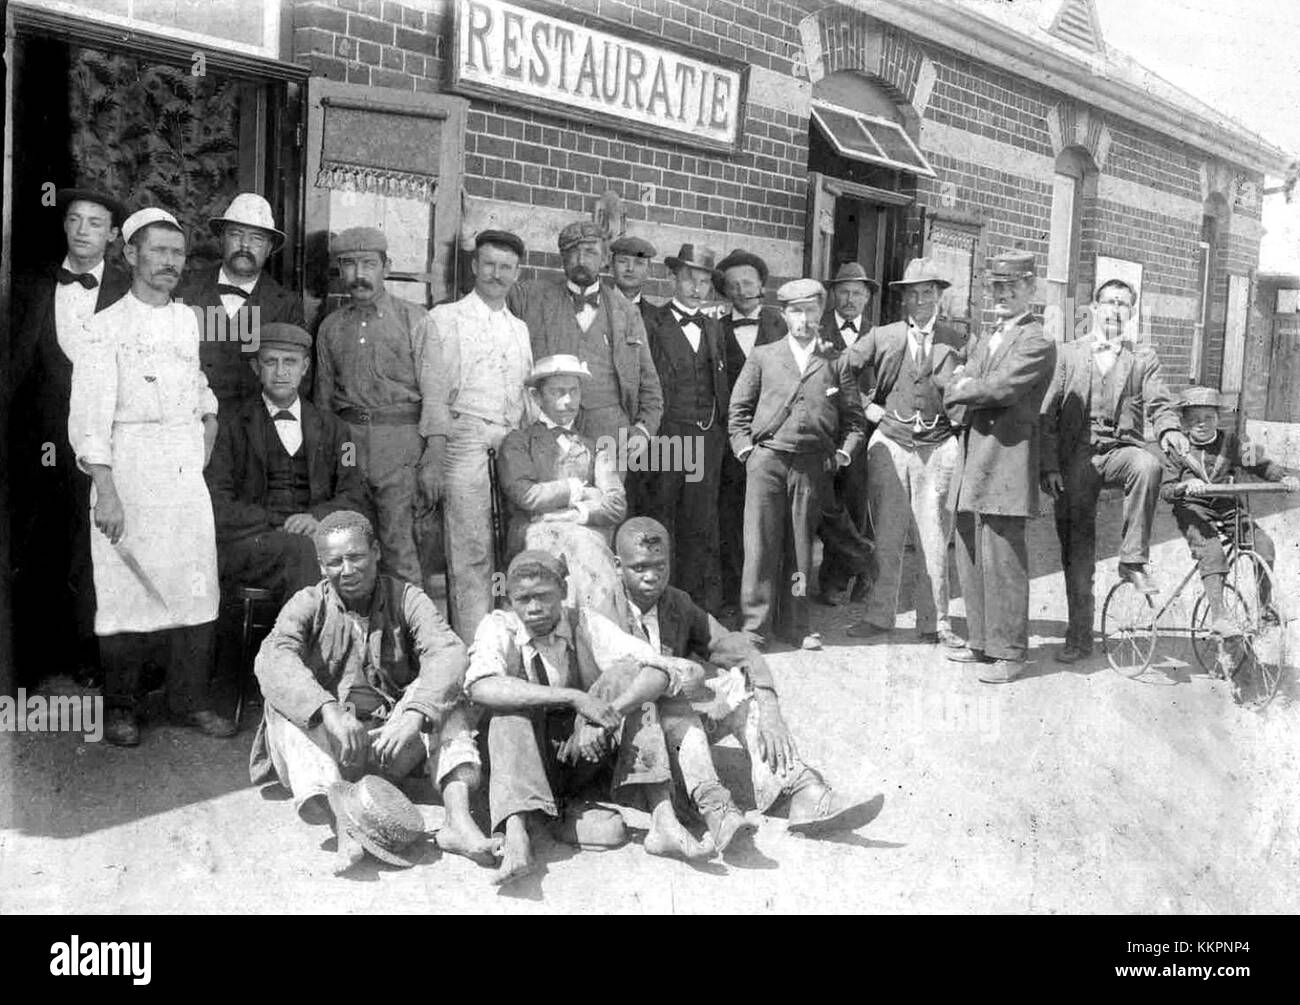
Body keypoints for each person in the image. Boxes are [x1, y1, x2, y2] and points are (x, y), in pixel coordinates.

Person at [68, 207, 236, 746]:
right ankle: (121, 707)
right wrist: (107, 492)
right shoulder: (102, 327)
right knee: (125, 586)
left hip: (184, 469)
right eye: (159, 251)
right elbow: (89, 420)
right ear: (131, 254)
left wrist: (208, 423)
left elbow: (199, 384)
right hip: (130, 466)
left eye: (178, 253)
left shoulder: (187, 319)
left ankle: (188, 701)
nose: (170, 262)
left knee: (195, 582)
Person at [250, 510, 499, 867]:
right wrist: (328, 712)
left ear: (377, 552)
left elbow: (448, 652)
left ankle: (459, 822)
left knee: (447, 694)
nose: (347, 570)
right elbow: (273, 659)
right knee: (283, 702)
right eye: (335, 562)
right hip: (328, 750)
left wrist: (414, 715)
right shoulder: (307, 602)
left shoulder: (406, 597)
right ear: (322, 567)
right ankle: (344, 826)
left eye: (356, 557)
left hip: (387, 743)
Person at [612, 517, 885, 841]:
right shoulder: (604, 609)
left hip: (677, 719)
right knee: (675, 703)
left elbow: (736, 649)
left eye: (659, 565)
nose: (651, 576)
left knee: (741, 686)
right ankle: (714, 807)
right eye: (639, 567)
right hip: (631, 736)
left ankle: (800, 790)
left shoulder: (677, 602)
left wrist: (769, 706)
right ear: (618, 566)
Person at [465, 550, 714, 886]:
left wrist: (606, 717)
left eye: (543, 597)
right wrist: (574, 697)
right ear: (510, 599)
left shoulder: (585, 621)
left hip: (584, 752)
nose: (533, 608)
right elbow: (481, 686)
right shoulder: (499, 625)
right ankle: (516, 834)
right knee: (507, 714)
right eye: (523, 599)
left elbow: (659, 669)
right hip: (524, 762)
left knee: (630, 678)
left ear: (564, 591)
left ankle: (663, 818)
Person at [9, 187, 130, 686]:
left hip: (102, 442)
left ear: (114, 234)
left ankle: (90, 655)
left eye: (95, 223)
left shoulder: (127, 289)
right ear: (64, 227)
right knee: (38, 540)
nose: (83, 231)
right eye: (75, 220)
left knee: (94, 546)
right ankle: (32, 657)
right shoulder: (32, 283)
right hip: (41, 440)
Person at [1039, 278, 1185, 662]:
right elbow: (1047, 416)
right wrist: (1050, 466)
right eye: (1109, 302)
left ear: (1131, 313)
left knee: (1148, 464)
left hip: (1119, 452)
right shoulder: (1067, 354)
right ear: (1094, 307)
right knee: (1078, 551)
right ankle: (1079, 637)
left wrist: (1169, 429)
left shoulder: (1142, 359)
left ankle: (1132, 559)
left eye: (1124, 304)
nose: (1115, 310)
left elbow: (1160, 403)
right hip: (1076, 461)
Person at [728, 278, 866, 651]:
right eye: (795, 311)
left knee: (801, 549)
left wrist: (842, 453)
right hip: (768, 461)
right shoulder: (764, 356)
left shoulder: (835, 360)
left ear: (820, 313)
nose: (803, 319)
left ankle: (797, 624)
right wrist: (746, 452)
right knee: (760, 547)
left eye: (810, 311)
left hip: (811, 467)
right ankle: (755, 627)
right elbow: (738, 409)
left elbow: (854, 419)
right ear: (784, 314)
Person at [944, 251, 1056, 684]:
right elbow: (964, 379)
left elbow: (1000, 387)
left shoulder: (1036, 340)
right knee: (972, 547)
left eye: (1013, 287)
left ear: (1031, 289)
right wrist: (969, 386)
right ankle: (981, 642)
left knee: (1003, 557)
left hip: (1008, 458)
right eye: (997, 288)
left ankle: (1010, 651)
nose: (1004, 295)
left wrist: (966, 387)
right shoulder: (986, 337)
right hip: (976, 455)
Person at [419, 229, 533, 640]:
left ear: (517, 273)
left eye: (506, 267)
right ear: (473, 266)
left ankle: (509, 642)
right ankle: (474, 648)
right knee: (472, 549)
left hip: (511, 440)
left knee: (512, 545)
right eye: (489, 264)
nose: (496, 274)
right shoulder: (445, 319)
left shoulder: (519, 328)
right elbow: (434, 395)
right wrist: (434, 456)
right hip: (465, 437)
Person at [846, 258, 965, 646]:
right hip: (891, 442)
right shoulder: (885, 336)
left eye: (928, 292)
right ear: (903, 299)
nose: (920, 300)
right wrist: (866, 406)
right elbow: (841, 370)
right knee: (888, 537)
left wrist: (958, 427)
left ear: (940, 296)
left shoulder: (960, 339)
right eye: (912, 293)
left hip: (938, 445)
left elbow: (979, 385)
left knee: (933, 537)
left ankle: (936, 623)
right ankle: (880, 617)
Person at [205, 323, 371, 601]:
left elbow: (354, 492)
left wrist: (316, 518)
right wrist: (278, 521)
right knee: (304, 552)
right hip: (253, 543)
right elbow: (217, 502)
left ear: (305, 367)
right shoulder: (230, 426)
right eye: (271, 362)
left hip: (316, 535)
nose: (281, 372)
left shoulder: (337, 430)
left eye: (290, 362)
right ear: (256, 367)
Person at [314, 227, 432, 589]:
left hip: (400, 444)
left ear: (386, 266)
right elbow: (322, 402)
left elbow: (436, 393)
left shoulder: (415, 319)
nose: (358, 274)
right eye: (348, 265)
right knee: (350, 545)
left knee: (399, 545)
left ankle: (411, 638)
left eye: (368, 263)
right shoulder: (332, 326)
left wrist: (433, 457)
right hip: (348, 443)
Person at [507, 220, 663, 453]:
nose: (581, 260)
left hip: (610, 429)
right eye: (572, 252)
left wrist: (643, 429)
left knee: (607, 489)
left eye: (590, 252)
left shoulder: (627, 312)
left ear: (604, 260)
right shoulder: (531, 298)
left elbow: (648, 380)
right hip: (549, 425)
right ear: (562, 258)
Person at [1160, 387, 1299, 635]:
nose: (1201, 425)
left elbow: (1261, 464)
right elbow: (1167, 490)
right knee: (1212, 553)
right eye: (1194, 420)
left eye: (1208, 418)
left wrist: (1284, 477)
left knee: (1264, 546)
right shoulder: (1177, 448)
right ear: (1184, 422)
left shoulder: (1232, 442)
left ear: (1218, 419)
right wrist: (1185, 485)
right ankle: (1220, 617)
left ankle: (1265, 607)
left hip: (1228, 507)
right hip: (1193, 510)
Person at [496, 355, 626, 617]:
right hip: (534, 536)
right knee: (580, 549)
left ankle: (603, 638)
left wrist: (575, 513)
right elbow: (527, 495)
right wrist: (580, 489)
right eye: (558, 392)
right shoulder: (518, 442)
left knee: (589, 552)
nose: (568, 401)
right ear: (537, 396)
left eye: (574, 391)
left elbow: (616, 504)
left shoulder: (595, 446)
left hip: (586, 534)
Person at [641, 243, 729, 613]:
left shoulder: (713, 327)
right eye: (689, 278)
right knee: (663, 516)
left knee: (700, 521)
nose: (696, 287)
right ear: (673, 278)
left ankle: (691, 609)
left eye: (704, 281)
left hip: (706, 438)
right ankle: (657, 604)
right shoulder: (652, 323)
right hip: (665, 438)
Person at [176, 192, 305, 411]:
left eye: (257, 238)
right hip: (190, 418)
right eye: (236, 234)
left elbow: (292, 380)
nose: (245, 245)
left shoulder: (287, 305)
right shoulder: (185, 289)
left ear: (269, 248)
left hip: (253, 425)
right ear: (221, 238)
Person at [713, 249, 787, 616]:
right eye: (733, 284)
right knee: (729, 517)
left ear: (762, 285)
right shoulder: (715, 327)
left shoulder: (783, 324)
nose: (741, 290)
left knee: (772, 520)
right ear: (725, 291)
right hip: (727, 443)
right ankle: (733, 596)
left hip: (773, 441)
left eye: (748, 282)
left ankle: (773, 599)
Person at [817, 261, 881, 607]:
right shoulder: (816, 328)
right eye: (844, 291)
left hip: (860, 434)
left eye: (858, 293)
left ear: (868, 297)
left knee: (854, 503)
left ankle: (839, 581)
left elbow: (881, 383)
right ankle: (862, 559)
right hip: (823, 430)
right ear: (833, 294)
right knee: (824, 505)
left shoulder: (877, 334)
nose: (850, 299)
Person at [609, 234, 658, 325]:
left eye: (639, 263)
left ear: (648, 271)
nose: (630, 268)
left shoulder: (658, 317)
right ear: (611, 267)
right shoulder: (595, 307)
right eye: (623, 261)